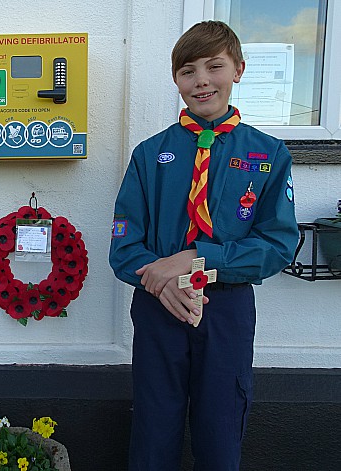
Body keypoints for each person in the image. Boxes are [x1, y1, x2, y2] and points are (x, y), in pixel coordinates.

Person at [109, 21, 298, 470]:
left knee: (220, 430)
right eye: (187, 71)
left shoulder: (268, 154)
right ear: (176, 80)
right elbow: (124, 244)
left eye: (215, 67)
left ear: (238, 71)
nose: (201, 81)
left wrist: (195, 257)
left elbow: (276, 244)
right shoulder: (150, 154)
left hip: (225, 309)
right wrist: (162, 282)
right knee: (154, 430)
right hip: (159, 310)